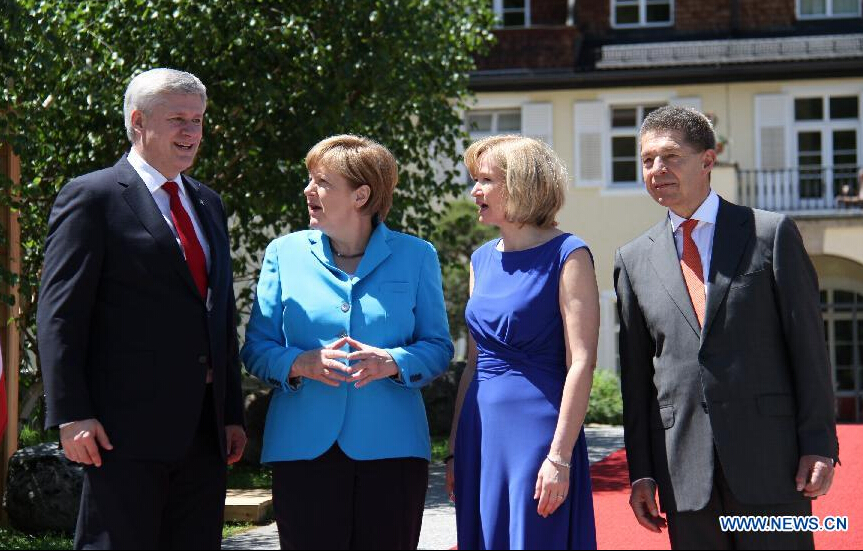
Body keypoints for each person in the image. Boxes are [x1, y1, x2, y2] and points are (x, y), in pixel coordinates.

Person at [37, 68, 246, 549]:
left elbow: (218, 314)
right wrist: (71, 414)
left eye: (198, 120)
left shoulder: (207, 203)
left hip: (203, 433)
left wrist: (230, 412)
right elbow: (60, 314)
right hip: (120, 433)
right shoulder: (93, 197)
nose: (192, 133)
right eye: (178, 119)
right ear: (138, 121)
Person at [614, 106, 839, 549]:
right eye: (646, 160)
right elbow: (636, 380)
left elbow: (808, 350)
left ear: (708, 160)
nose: (656, 169)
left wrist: (819, 443)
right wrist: (641, 470)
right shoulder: (632, 260)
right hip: (683, 472)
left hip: (772, 465)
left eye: (670, 156)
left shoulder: (770, 234)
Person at [241, 134, 453, 550]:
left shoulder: (417, 255)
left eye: (321, 182)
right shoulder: (283, 253)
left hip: (393, 448)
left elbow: (438, 346)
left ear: (361, 195)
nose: (308, 191)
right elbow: (256, 348)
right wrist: (299, 364)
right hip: (302, 447)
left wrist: (392, 360)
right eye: (309, 179)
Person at [446, 135, 598, 550]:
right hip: (480, 432)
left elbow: (582, 362)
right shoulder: (480, 258)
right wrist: (455, 448)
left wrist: (560, 457)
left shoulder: (569, 254)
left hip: (539, 432)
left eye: (485, 180)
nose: (474, 191)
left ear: (522, 185)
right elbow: (474, 361)